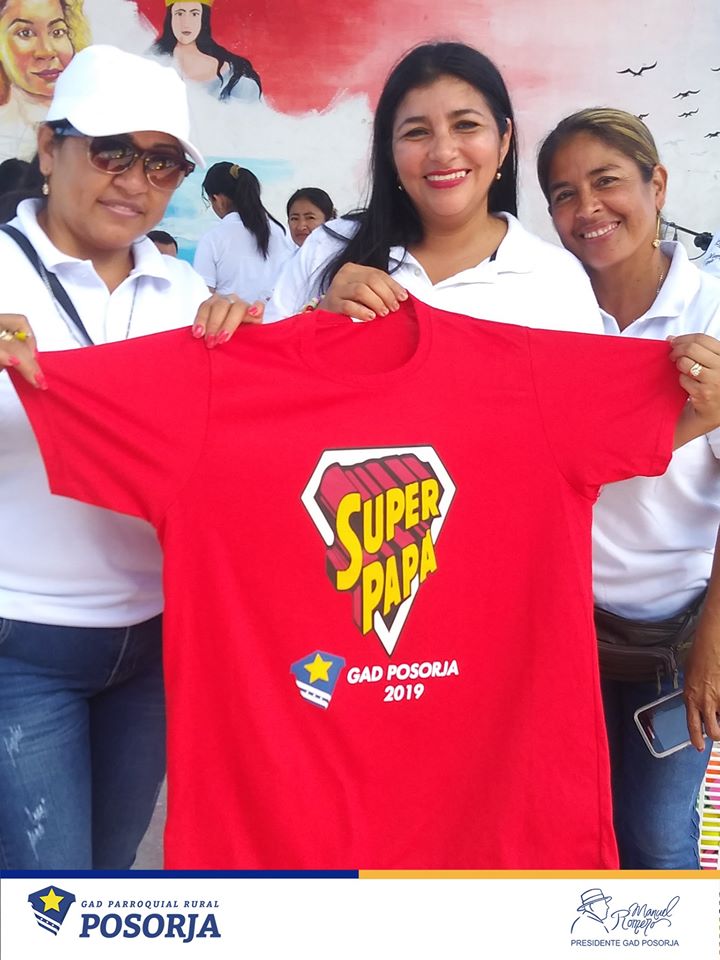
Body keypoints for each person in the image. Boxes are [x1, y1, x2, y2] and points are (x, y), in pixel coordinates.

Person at [0, 42, 253, 870]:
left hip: (154, 644)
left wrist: (255, 353)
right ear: (50, 147)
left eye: (162, 163)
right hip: (20, 645)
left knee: (112, 877)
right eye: (111, 151)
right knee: (47, 895)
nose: (135, 181)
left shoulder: (187, 296)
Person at [536, 107, 720, 869]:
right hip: (560, 634)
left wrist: (712, 647)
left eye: (606, 181)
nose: (588, 209)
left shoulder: (711, 313)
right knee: (570, 828)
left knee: (655, 836)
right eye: (564, 194)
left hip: (671, 640)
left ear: (658, 185)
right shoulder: (545, 311)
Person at [264, 41, 603, 330]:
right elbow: (269, 372)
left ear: (503, 141)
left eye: (466, 125)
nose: (442, 152)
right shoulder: (327, 249)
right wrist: (320, 323)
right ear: (389, 151)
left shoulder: (557, 280)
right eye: (416, 132)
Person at [193, 161, 293, 301]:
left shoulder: (213, 238)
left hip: (229, 314)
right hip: (278, 314)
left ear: (216, 199)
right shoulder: (283, 233)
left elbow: (203, 296)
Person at [152, 0, 260, 103]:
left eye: (194, 14)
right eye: (179, 13)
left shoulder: (235, 76)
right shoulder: (152, 61)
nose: (186, 23)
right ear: (170, 17)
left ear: (203, 18)